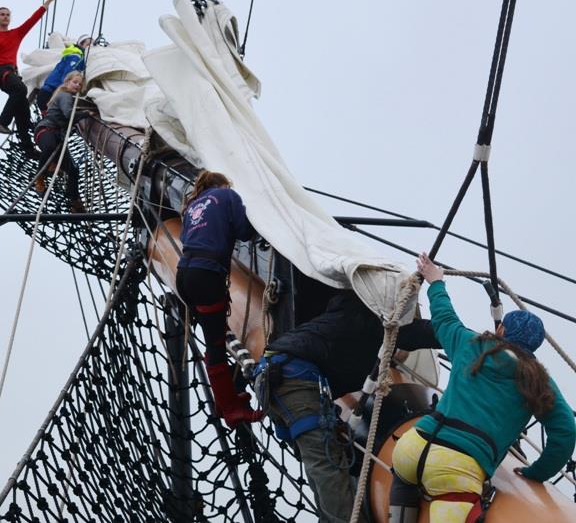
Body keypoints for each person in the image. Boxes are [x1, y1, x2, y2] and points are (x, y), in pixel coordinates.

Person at [388, 252, 576, 523]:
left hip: (413, 446)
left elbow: (444, 318)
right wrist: (538, 472)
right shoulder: (538, 381)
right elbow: (564, 431)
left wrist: (436, 281)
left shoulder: (471, 344)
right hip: (458, 469)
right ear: (534, 347)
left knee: (404, 481)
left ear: (501, 331)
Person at [258, 288, 440, 523]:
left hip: (278, 381)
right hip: (296, 381)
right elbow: (422, 333)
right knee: (327, 463)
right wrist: (480, 340)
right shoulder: (374, 323)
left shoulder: (344, 318)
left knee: (321, 459)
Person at [175, 171, 263, 429]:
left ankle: (224, 397)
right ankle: (231, 409)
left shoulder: (191, 207)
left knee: (214, 337)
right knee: (215, 344)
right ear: (223, 184)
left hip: (185, 276)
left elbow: (185, 238)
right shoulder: (227, 195)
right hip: (206, 275)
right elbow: (245, 231)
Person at [0, 0, 60, 154]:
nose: (5, 17)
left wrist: (48, 2)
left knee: (22, 109)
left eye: (8, 15)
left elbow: (32, 20)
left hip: (13, 73)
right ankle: (2, 123)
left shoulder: (15, 33)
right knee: (21, 90)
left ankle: (28, 148)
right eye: (2, 14)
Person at [33, 70, 86, 212]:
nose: (77, 86)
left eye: (80, 84)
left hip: (58, 138)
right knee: (49, 147)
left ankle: (74, 200)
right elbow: (69, 114)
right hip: (46, 130)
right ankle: (40, 178)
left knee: (73, 170)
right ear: (67, 82)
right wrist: (86, 113)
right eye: (75, 82)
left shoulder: (72, 99)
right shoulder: (65, 95)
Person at [36, 34, 92, 111]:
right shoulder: (76, 56)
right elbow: (67, 76)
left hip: (47, 93)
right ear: (81, 45)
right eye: (88, 44)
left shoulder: (77, 56)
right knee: (55, 119)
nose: (91, 47)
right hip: (50, 94)